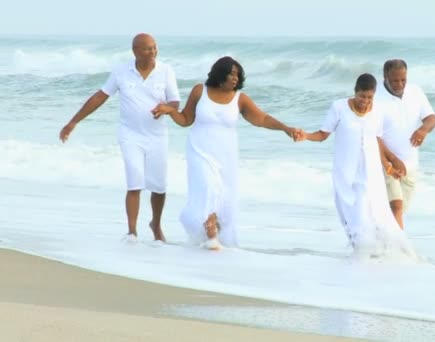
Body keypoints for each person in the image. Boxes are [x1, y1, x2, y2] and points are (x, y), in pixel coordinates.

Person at [152, 56, 302, 250]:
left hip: (226, 155)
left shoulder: (240, 99)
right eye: (231, 74)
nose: (235, 79)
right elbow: (186, 119)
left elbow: (261, 119)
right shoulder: (200, 91)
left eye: (238, 75)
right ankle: (211, 234)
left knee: (223, 197)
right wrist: (169, 111)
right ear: (220, 73)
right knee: (209, 187)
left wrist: (285, 128)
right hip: (199, 151)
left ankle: (213, 235)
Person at [59, 33, 180, 242]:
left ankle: (156, 225)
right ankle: (132, 232)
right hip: (129, 135)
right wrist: (73, 121)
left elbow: (175, 103)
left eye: (154, 47)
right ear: (135, 51)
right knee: (134, 182)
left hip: (157, 136)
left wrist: (166, 109)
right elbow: (100, 97)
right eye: (147, 48)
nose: (153, 52)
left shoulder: (166, 71)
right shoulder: (121, 71)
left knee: (159, 187)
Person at [298, 73, 417, 259]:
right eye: (361, 96)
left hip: (371, 176)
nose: (365, 101)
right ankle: (361, 260)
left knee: (379, 217)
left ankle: (382, 258)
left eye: (369, 97)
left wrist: (388, 166)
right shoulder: (338, 107)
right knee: (356, 218)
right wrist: (305, 135)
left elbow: (375, 141)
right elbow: (322, 135)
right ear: (355, 92)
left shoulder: (377, 112)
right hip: (347, 173)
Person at [376, 59, 435, 229]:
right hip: (386, 163)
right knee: (396, 206)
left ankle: (380, 245)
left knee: (399, 212)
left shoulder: (415, 91)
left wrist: (423, 130)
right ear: (385, 76)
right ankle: (399, 249)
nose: (400, 84)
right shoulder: (376, 97)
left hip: (410, 163)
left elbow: (431, 118)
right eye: (395, 80)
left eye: (403, 79)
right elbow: (374, 136)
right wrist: (392, 160)